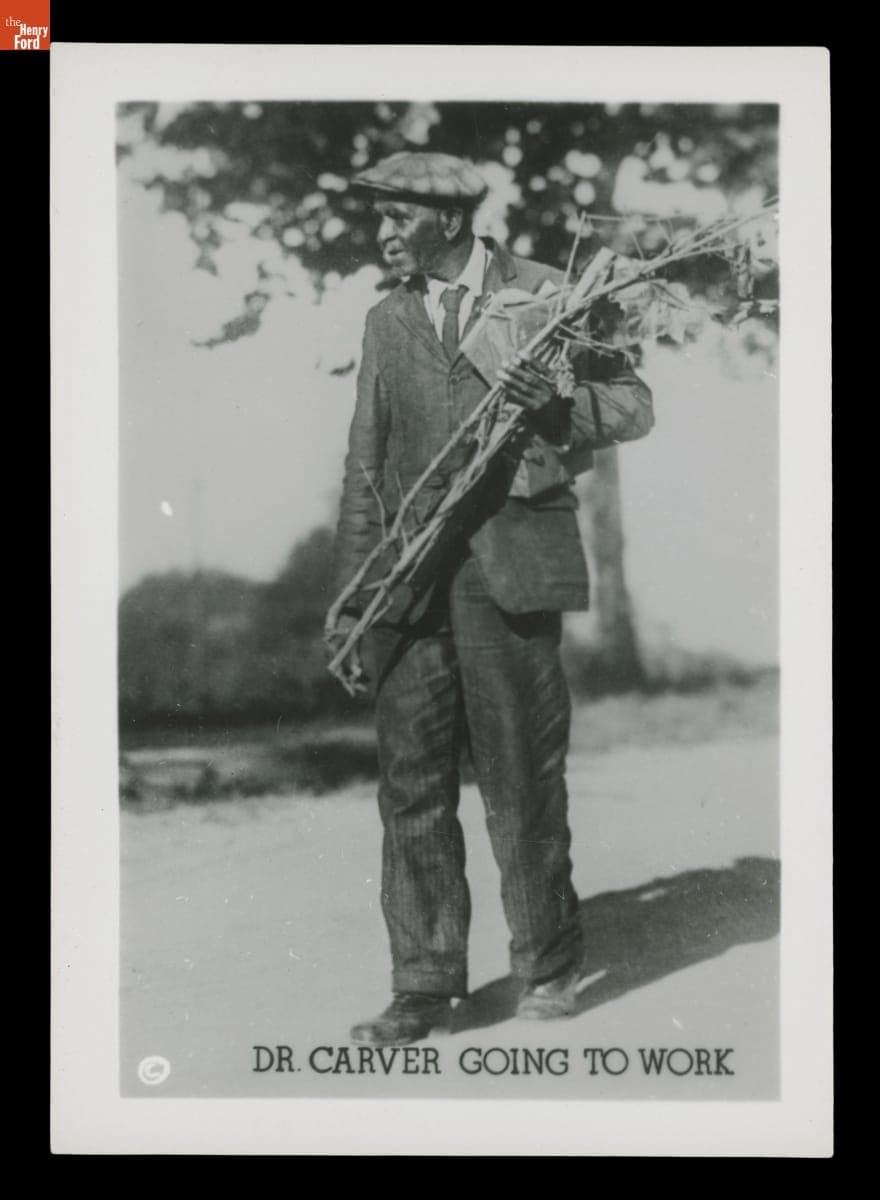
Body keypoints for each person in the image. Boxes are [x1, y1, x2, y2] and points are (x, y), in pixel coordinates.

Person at [327, 151, 653, 1047]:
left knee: (520, 781)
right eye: (381, 218)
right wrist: (355, 600)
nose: (383, 235)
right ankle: (424, 987)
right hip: (407, 578)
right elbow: (365, 463)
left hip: (509, 571)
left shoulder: (554, 290)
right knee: (411, 787)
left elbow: (632, 406)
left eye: (398, 218)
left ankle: (548, 968)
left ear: (448, 217)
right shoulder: (386, 318)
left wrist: (555, 399)